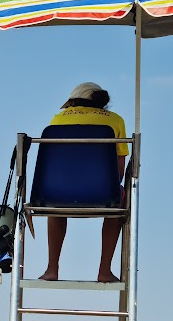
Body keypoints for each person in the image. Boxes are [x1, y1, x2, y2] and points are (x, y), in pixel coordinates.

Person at [35, 82, 128, 283]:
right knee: (119, 201)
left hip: (56, 192)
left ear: (74, 100)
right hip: (102, 192)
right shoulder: (116, 121)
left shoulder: (58, 120)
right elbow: (119, 171)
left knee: (55, 207)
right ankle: (105, 270)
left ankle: (52, 269)